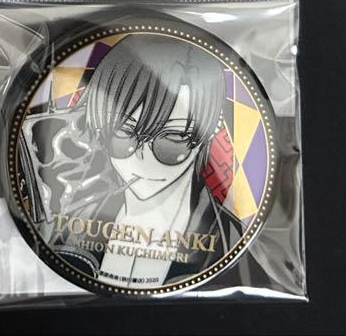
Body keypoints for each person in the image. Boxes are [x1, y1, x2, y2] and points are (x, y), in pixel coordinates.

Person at [20, 34, 242, 289]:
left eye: (172, 139)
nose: (142, 159)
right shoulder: (67, 225)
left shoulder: (228, 238)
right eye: (123, 133)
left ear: (209, 132)